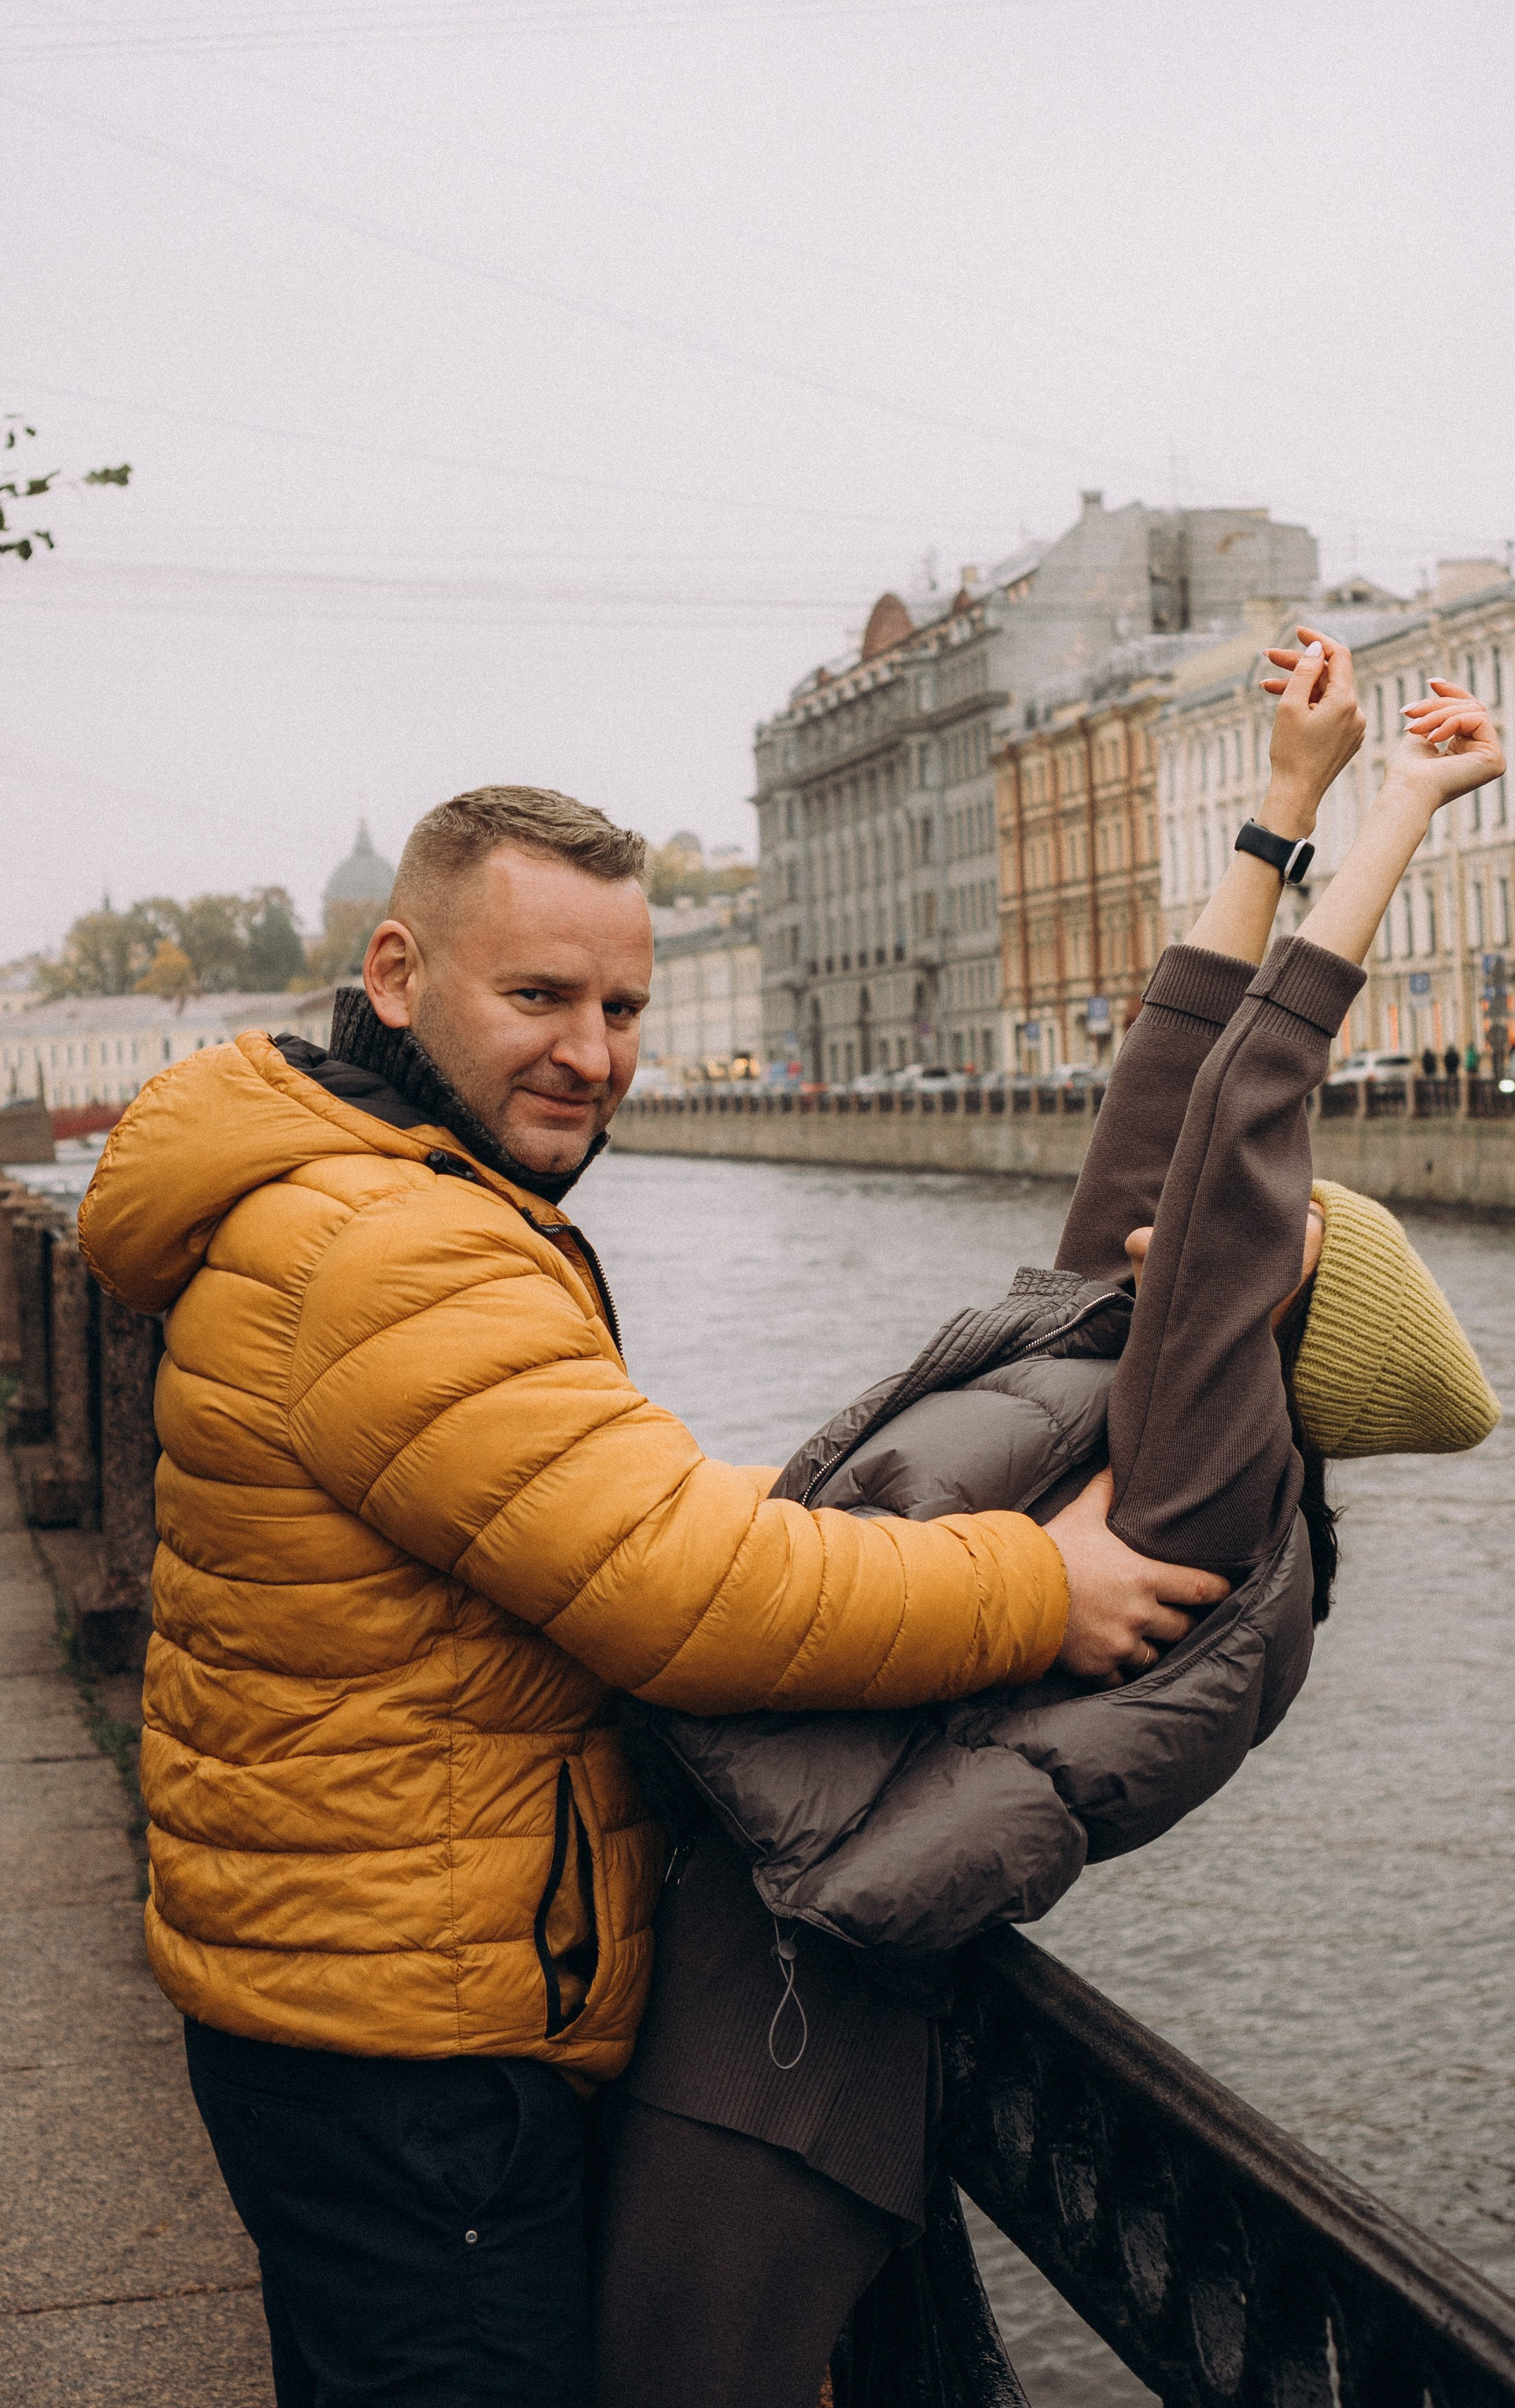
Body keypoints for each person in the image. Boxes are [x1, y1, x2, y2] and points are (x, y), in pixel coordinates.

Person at [75, 784, 1221, 2408]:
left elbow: (590, 1514)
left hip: (350, 1976)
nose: (593, 1055)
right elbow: (683, 1593)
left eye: (621, 1008)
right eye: (536, 997)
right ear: (396, 975)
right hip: (421, 2037)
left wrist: (826, 1517)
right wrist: (1040, 1585)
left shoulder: (361, 1191)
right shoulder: (395, 1245)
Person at [595, 642, 1506, 2405]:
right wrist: (1286, 799)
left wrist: (1402, 809)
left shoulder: (1206, 1491)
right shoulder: (1102, 1347)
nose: (1217, 1218)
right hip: (735, 1933)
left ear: (1270, 1332)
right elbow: (1170, 1084)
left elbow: (1248, 1112)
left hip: (787, 2033)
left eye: (1270, 1238)